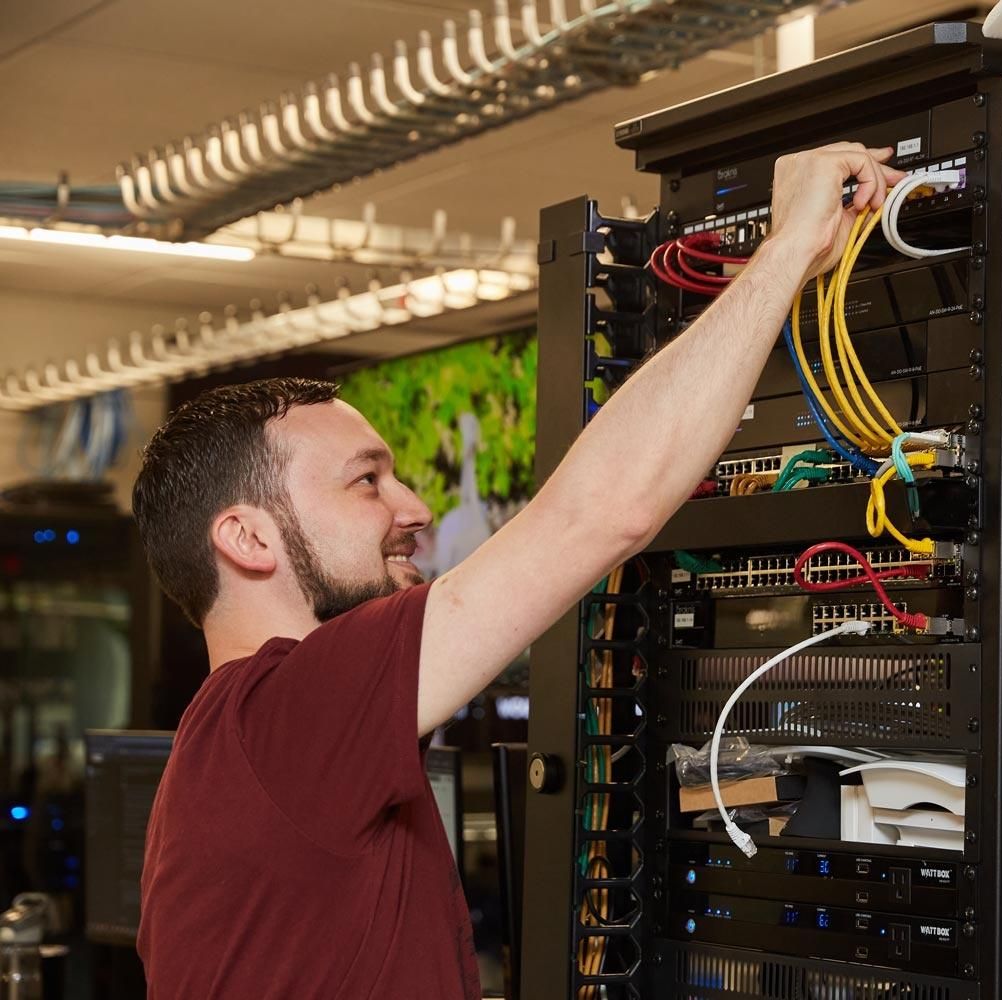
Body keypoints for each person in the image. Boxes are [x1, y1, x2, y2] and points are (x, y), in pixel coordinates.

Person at [131, 142, 904, 999]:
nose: (417, 507)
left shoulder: (244, 750)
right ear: (246, 538)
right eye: (366, 481)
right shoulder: (280, 713)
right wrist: (790, 246)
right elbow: (604, 513)